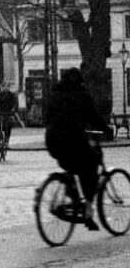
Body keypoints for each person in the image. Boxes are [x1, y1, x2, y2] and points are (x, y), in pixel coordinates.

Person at [45, 66, 108, 230]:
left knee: (71, 165)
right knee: (91, 165)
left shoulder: (55, 94)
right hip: (72, 139)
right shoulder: (82, 95)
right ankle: (87, 208)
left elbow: (46, 117)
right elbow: (94, 117)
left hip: (53, 141)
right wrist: (107, 130)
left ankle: (70, 190)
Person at [0, 81, 18, 149]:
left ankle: (7, 142)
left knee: (9, 125)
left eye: (7, 87)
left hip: (8, 113)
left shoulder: (12, 95)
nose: (5, 88)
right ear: (2, 87)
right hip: (0, 113)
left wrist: (13, 109)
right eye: (4, 87)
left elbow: (15, 104)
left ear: (9, 88)